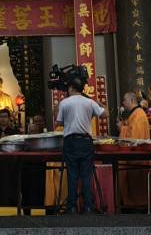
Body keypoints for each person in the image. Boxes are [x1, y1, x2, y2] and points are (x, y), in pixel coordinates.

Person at [55, 71, 105, 214]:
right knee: (86, 175)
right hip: (85, 142)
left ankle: (71, 207)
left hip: (70, 142)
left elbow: (59, 122)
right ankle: (88, 206)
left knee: (72, 174)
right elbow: (105, 114)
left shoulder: (64, 103)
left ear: (71, 88)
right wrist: (100, 104)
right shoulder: (89, 102)